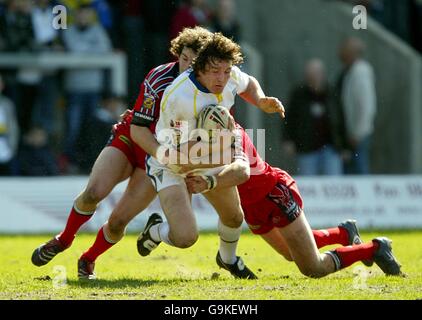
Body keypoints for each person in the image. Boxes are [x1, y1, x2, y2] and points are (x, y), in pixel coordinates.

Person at [31, 26, 213, 279]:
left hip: (156, 160)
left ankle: (88, 259)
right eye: (184, 59)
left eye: (195, 63)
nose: (187, 67)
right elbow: (139, 127)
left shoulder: (212, 91)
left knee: (118, 222)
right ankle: (64, 239)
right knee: (94, 192)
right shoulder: (159, 77)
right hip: (134, 139)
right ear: (178, 54)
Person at [136, 32, 285, 280]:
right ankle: (156, 231)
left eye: (226, 72)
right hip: (171, 160)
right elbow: (179, 157)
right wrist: (220, 154)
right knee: (185, 238)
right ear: (201, 68)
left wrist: (260, 101)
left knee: (235, 217)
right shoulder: (178, 97)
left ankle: (228, 260)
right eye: (216, 72)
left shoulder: (228, 74)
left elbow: (248, 84)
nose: (223, 78)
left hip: (208, 151)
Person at [185, 123, 403, 277]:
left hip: (274, 196)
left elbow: (240, 172)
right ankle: (344, 233)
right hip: (252, 208)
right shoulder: (197, 133)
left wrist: (208, 182)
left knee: (312, 268)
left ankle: (375, 248)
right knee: (291, 254)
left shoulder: (227, 130)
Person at [283, 58, 344, 175]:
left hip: (331, 146)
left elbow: (341, 119)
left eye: (316, 75)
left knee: (334, 180)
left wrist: (344, 146)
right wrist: (288, 139)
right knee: (308, 180)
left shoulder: (332, 94)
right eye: (310, 76)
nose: (313, 79)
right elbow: (289, 118)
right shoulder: (298, 95)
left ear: (322, 75)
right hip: (307, 146)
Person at [337, 37, 377, 174]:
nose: (340, 52)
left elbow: (366, 105)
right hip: (352, 132)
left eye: (344, 49)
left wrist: (357, 133)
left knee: (359, 170)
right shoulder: (350, 71)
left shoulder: (360, 72)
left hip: (358, 134)